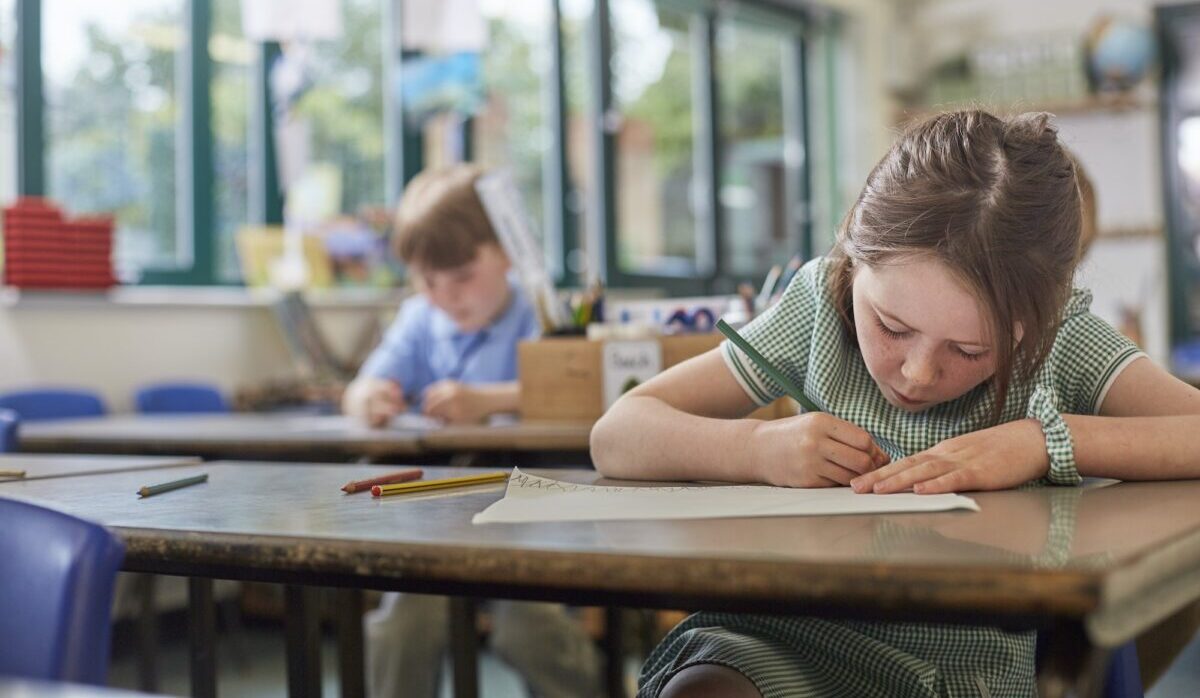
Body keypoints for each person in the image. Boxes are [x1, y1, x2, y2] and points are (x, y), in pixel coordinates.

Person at [591, 110, 1200, 697]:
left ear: (1032, 325)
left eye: (967, 350)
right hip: (778, 633)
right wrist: (755, 448)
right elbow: (618, 432)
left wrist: (1042, 441)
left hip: (956, 669)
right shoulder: (817, 307)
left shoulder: (1060, 337)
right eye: (890, 325)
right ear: (855, 260)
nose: (916, 372)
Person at [345, 163, 601, 698]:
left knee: (529, 629)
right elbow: (360, 389)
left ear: (505, 252)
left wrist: (489, 401)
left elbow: (584, 393)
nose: (445, 296)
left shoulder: (541, 314)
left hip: (534, 506)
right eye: (428, 281)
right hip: (441, 515)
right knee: (403, 628)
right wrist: (370, 396)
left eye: (462, 277)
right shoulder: (419, 320)